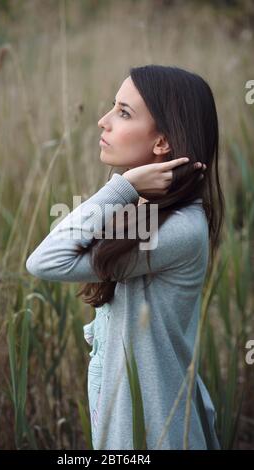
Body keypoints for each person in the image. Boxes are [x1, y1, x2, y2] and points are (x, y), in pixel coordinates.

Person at [26, 64, 224, 450]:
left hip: (154, 433)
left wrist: (123, 186)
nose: (103, 121)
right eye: (112, 107)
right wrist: (127, 190)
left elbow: (45, 261)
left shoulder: (178, 230)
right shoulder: (150, 214)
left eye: (123, 112)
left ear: (162, 141)